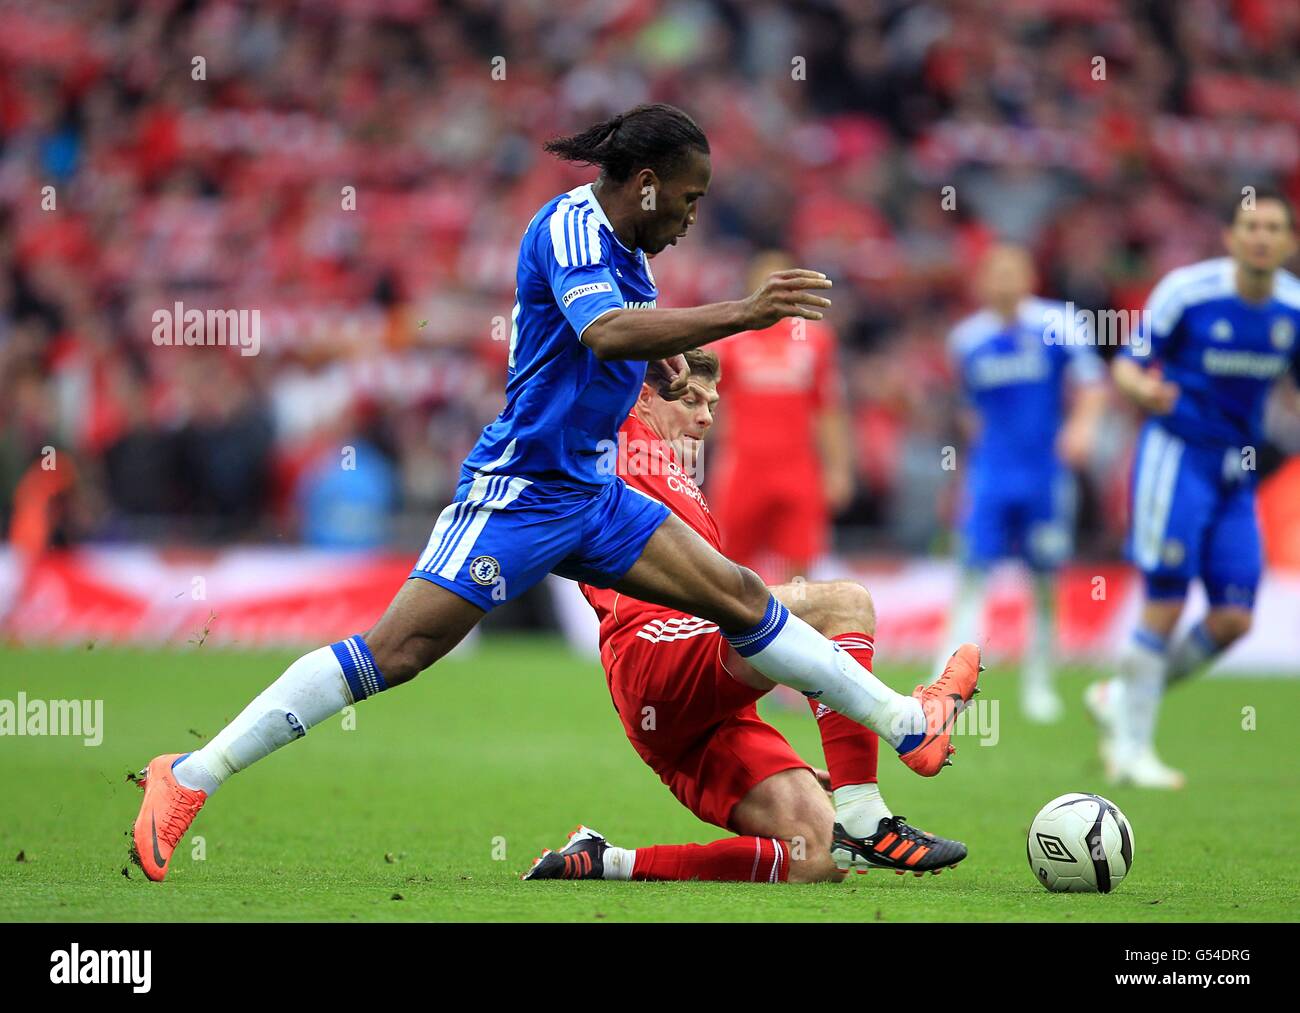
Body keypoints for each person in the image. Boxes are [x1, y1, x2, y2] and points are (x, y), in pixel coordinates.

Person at [129, 104, 979, 882]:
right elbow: (602, 330)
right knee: (398, 653)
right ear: (644, 185)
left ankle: (904, 729)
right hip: (521, 491)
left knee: (741, 594)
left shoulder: (632, 253)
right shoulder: (572, 225)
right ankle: (190, 774)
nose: (692, 217)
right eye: (688, 198)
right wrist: (742, 313)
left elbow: (622, 338)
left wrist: (665, 359)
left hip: (592, 490)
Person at [525, 350, 972, 883]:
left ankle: (605, 861)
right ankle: (889, 765)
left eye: (713, 403)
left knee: (818, 857)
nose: (707, 416)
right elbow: (605, 338)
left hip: (700, 710)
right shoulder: (608, 433)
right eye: (691, 398)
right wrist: (740, 315)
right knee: (843, 603)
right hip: (654, 647)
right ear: (642, 392)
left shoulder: (685, 485)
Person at [1086, 189, 1300, 788]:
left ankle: (1117, 694)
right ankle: (1132, 749)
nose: (1261, 237)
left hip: (1239, 471)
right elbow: (1128, 362)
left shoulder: (1293, 310)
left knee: (1233, 618)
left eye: (1274, 228)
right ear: (1231, 238)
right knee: (1167, 597)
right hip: (1176, 457)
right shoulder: (1188, 291)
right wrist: (1143, 391)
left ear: (1288, 243)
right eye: (1250, 226)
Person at [936, 244, 1106, 722]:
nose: (1005, 281)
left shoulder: (1058, 325)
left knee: (1045, 578)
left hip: (1044, 476)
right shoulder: (967, 339)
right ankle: (948, 683)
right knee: (971, 573)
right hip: (990, 475)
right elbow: (969, 412)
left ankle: (1039, 684)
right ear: (982, 281)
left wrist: (1081, 428)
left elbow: (1093, 385)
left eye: (1014, 271)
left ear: (1030, 276)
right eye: (995, 272)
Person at [708, 251, 854, 584]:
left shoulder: (815, 341)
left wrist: (838, 469)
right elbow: (707, 405)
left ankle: (792, 630)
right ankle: (735, 634)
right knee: (731, 562)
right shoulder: (731, 341)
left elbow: (829, 408)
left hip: (797, 468)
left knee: (800, 563)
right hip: (743, 466)